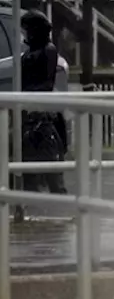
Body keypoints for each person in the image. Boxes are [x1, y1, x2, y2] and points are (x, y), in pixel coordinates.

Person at [19, 10, 68, 194]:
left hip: (41, 110)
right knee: (28, 152)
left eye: (27, 30)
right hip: (28, 108)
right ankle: (32, 189)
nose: (25, 34)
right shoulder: (30, 51)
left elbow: (46, 83)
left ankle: (56, 188)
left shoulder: (47, 50)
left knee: (48, 150)